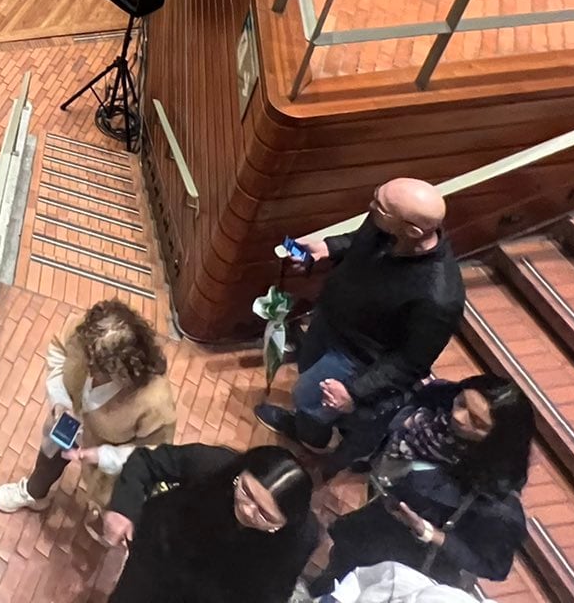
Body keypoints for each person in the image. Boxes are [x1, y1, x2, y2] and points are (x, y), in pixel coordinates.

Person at [256, 178, 465, 451]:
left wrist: (355, 392)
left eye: (379, 205)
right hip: (330, 321)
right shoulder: (389, 224)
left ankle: (312, 440)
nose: (371, 206)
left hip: (356, 356)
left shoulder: (439, 297)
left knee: (307, 399)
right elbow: (360, 240)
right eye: (376, 196)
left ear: (413, 231)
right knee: (307, 373)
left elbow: (409, 362)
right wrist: (330, 247)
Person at [313, 376, 534, 594]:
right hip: (373, 524)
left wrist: (432, 534)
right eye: (461, 403)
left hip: (402, 561)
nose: (457, 416)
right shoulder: (434, 406)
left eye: (476, 422)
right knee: (333, 575)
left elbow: (494, 567)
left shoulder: (493, 493)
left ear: (497, 436)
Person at [0, 299, 176, 518]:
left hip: (109, 458)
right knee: (49, 458)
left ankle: (101, 519)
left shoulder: (156, 402)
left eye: (102, 370)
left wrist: (101, 456)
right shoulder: (85, 332)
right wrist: (60, 401)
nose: (91, 375)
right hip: (68, 422)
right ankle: (34, 493)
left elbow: (152, 453)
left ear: (128, 365)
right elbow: (58, 351)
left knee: (108, 501)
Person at [100, 444, 317, 603]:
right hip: (161, 554)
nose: (247, 510)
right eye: (245, 491)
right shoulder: (212, 464)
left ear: (285, 523)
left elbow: (274, 591)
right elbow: (146, 462)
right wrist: (124, 509)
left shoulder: (301, 538)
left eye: (264, 514)